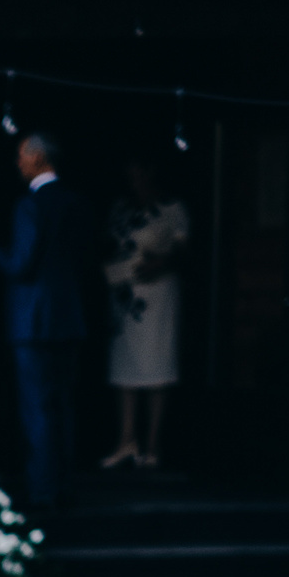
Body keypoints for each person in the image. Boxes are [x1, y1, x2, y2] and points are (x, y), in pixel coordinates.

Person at [0, 133, 90, 510]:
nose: (18, 163)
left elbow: (21, 264)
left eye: (22, 156)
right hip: (68, 317)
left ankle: (42, 490)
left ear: (39, 158)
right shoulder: (76, 203)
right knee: (64, 405)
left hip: (33, 320)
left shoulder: (29, 206)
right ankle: (65, 485)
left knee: (37, 407)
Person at [100, 154, 189, 470]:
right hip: (124, 293)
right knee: (124, 367)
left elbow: (183, 252)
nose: (135, 179)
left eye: (140, 172)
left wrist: (160, 262)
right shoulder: (120, 209)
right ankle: (126, 440)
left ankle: (153, 444)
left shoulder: (171, 210)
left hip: (157, 294)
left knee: (156, 366)